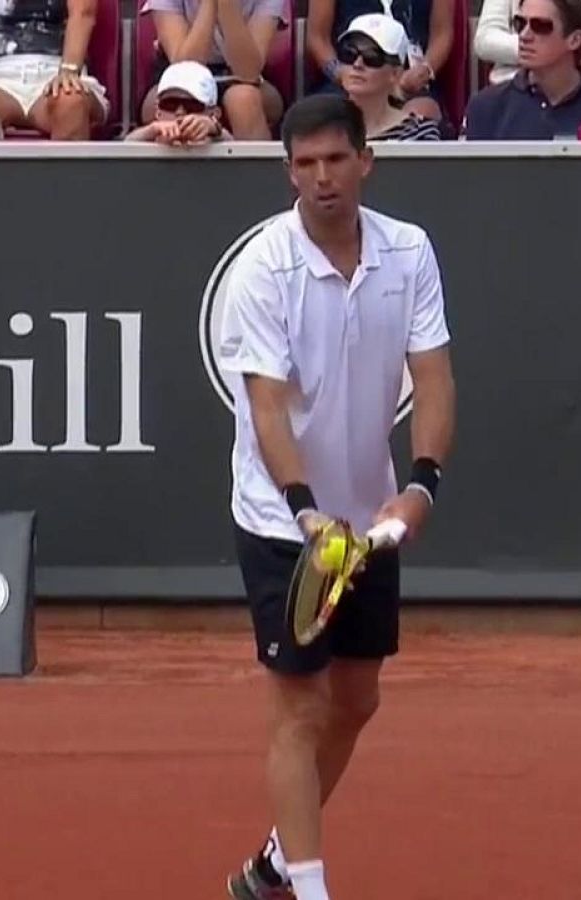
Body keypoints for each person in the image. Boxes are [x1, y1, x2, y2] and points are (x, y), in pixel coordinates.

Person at [216, 93, 456, 900]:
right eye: (305, 164)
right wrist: (307, 512)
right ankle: (308, 889)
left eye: (335, 160)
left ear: (365, 161)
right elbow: (267, 405)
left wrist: (420, 485)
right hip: (282, 520)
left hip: (369, 509)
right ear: (289, 172)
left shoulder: (411, 251)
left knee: (357, 698)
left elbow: (433, 378)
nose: (322, 178)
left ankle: (279, 860)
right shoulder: (263, 268)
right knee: (301, 709)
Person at [463, 0, 581, 139]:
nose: (524, 35)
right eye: (519, 24)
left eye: (541, 26)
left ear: (575, 39)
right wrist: (544, 51)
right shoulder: (485, 108)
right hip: (511, 91)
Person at [0, 0, 111, 140]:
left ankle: (67, 182)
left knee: (70, 101)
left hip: (56, 70)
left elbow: (83, 13)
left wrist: (68, 70)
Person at [137, 0, 289, 139]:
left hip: (241, 77)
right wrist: (209, 4)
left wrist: (226, 5)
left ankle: (257, 169)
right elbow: (185, 70)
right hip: (182, 72)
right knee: (165, 104)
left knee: (244, 101)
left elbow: (248, 71)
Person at [305, 0, 453, 117]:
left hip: (409, 79)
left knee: (423, 112)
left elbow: (442, 34)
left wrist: (425, 69)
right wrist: (339, 73)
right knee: (326, 115)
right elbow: (318, 37)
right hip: (350, 71)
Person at [334, 13, 443, 138]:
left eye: (372, 57)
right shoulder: (321, 128)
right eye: (349, 53)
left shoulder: (419, 133)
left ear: (395, 73)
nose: (357, 64)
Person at [125, 59, 234, 143]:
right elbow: (124, 147)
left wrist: (214, 128)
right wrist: (151, 130)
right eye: (170, 104)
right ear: (158, 112)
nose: (180, 112)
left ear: (214, 113)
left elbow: (234, 147)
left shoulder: (217, 138)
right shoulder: (150, 138)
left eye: (191, 105)